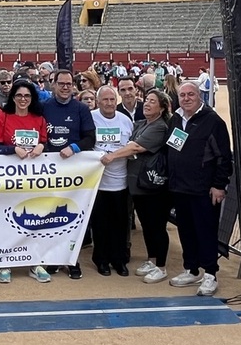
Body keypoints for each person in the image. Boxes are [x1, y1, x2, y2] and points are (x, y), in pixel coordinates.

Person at [167, 81, 232, 297]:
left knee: (206, 232)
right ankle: (191, 269)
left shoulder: (213, 121)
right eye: (182, 95)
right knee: (185, 231)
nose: (186, 98)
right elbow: (173, 149)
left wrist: (219, 185)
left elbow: (224, 157)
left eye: (190, 95)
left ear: (200, 96)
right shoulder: (175, 119)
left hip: (204, 189)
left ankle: (210, 274)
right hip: (179, 187)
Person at [108, 88, 174, 284]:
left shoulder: (159, 127)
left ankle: (161, 266)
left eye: (152, 101)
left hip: (154, 187)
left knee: (157, 226)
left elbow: (135, 147)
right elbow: (131, 143)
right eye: (146, 100)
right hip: (139, 184)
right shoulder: (142, 123)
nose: (146, 103)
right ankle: (151, 260)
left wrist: (111, 156)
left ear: (162, 108)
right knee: (147, 225)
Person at [0, 79, 50, 284]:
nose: (23, 99)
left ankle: (35, 262)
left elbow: (44, 142)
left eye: (27, 96)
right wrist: (13, 149)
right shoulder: (4, 117)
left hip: (33, 179)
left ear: (32, 98)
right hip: (9, 178)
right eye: (19, 96)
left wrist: (42, 146)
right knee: (7, 220)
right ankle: (5, 263)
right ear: (12, 97)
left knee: (33, 219)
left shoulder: (39, 119)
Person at [41, 69, 95, 279]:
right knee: (50, 214)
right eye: (61, 83)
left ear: (73, 86)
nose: (65, 87)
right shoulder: (44, 107)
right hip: (48, 171)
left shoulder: (81, 108)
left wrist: (73, 147)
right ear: (53, 85)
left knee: (72, 216)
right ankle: (53, 258)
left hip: (74, 172)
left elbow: (90, 138)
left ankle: (72, 259)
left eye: (68, 84)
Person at [89, 85, 134, 276]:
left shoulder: (125, 120)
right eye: (105, 100)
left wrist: (114, 155)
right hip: (98, 183)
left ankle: (119, 260)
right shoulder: (91, 118)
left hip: (121, 183)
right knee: (100, 224)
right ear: (98, 102)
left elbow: (132, 146)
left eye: (112, 100)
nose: (109, 103)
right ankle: (101, 260)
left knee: (120, 224)